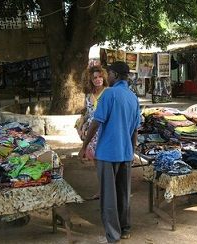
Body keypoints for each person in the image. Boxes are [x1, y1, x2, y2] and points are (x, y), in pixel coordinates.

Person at [78, 61, 140, 243]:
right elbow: (135, 129)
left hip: (107, 153)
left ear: (115, 74)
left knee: (108, 196)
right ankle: (125, 228)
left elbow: (96, 122)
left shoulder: (109, 94)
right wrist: (132, 151)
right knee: (123, 193)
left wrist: (84, 147)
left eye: (109, 73)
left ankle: (113, 235)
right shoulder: (132, 97)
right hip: (125, 153)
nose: (107, 77)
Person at [75, 65, 108, 200]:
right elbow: (88, 114)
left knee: (106, 163)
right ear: (90, 80)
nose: (98, 79)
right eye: (95, 77)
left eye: (100, 76)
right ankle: (102, 190)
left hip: (105, 132)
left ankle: (109, 191)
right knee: (97, 164)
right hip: (92, 134)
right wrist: (81, 123)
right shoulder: (88, 97)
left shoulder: (108, 93)